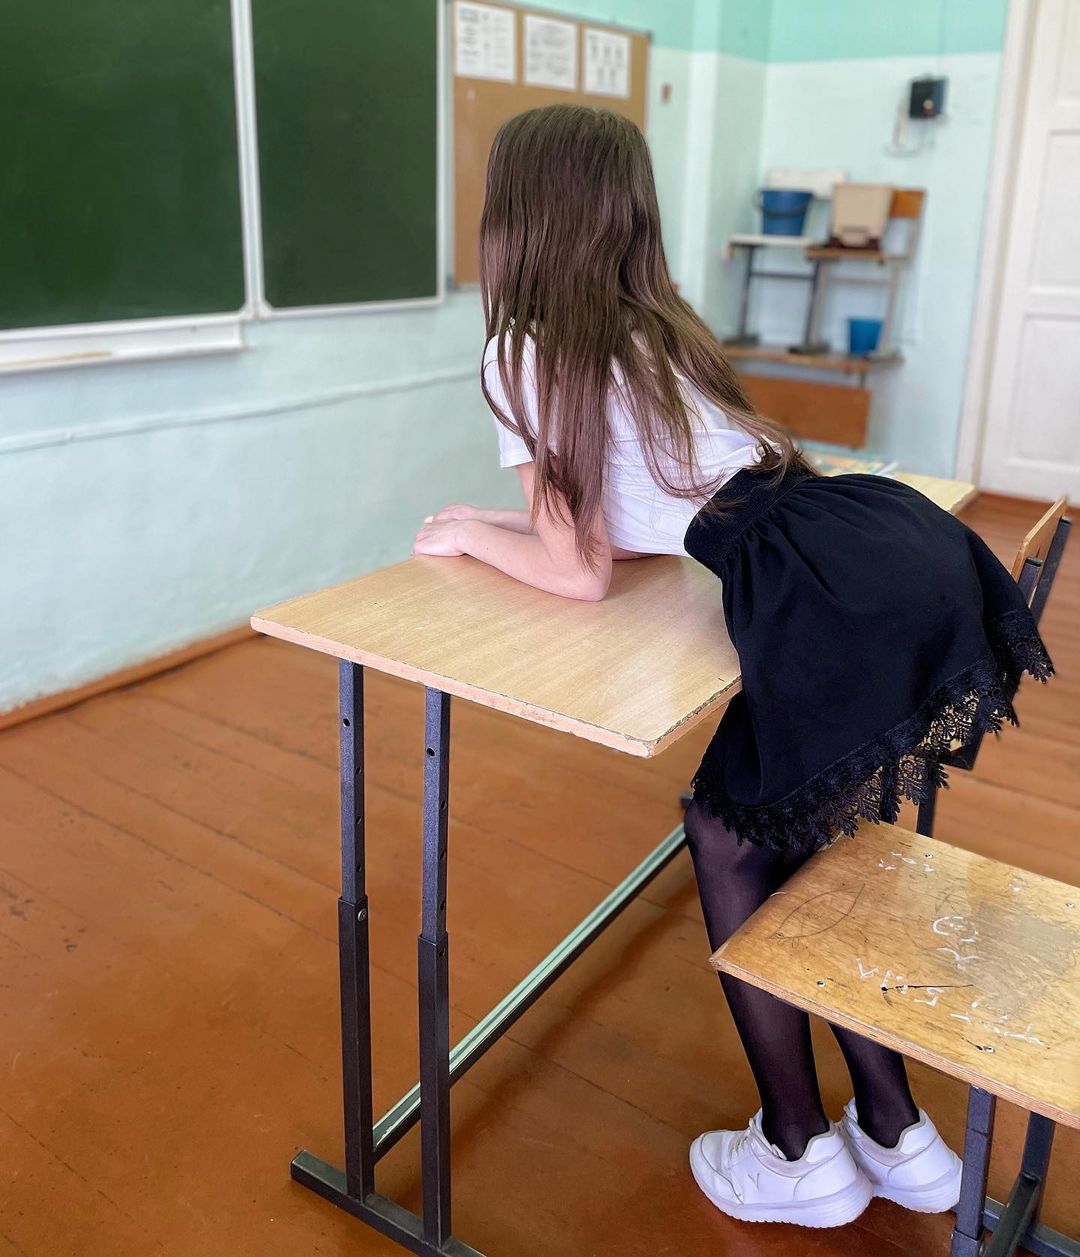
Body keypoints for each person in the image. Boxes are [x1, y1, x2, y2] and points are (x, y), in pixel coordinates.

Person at [413, 104, 1053, 1228]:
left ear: (516, 217)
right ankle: (896, 1130)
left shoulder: (523, 352)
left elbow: (577, 572)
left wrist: (471, 534)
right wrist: (499, 518)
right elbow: (637, 515)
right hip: (872, 542)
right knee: (811, 841)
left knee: (729, 837)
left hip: (815, 595)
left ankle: (799, 1149)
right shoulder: (655, 328)